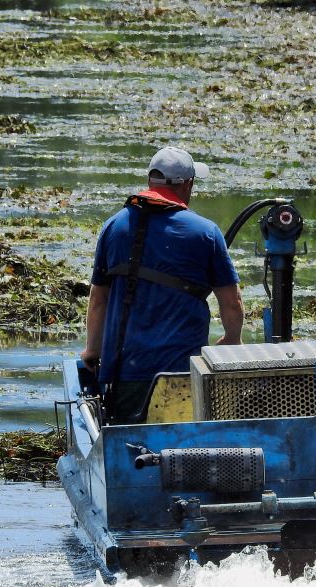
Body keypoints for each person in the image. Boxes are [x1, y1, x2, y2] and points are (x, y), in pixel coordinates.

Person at [81, 147, 244, 423]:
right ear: (187, 185)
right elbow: (231, 302)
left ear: (150, 182)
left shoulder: (114, 227)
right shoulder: (205, 233)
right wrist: (232, 338)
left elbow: (98, 300)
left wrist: (92, 351)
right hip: (181, 378)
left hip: (123, 377)